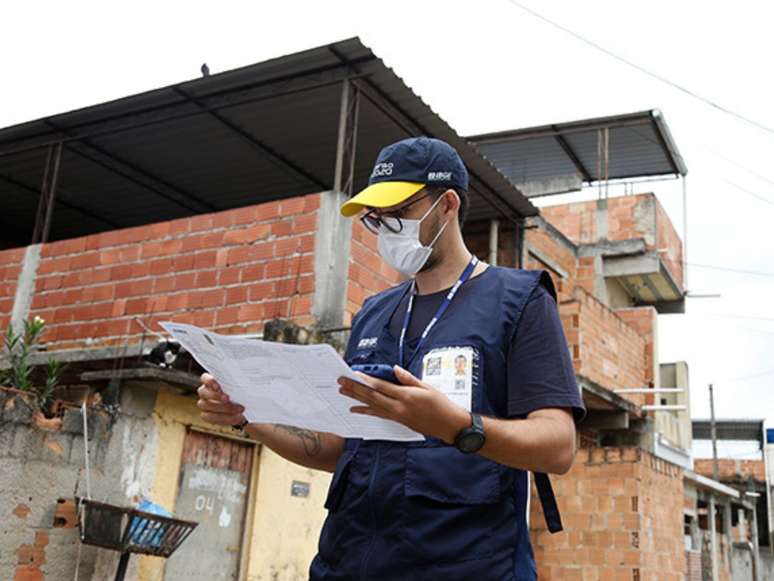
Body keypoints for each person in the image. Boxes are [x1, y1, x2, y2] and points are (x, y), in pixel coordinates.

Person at [197, 137, 586, 580]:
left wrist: (459, 427)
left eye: (399, 212)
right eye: (377, 218)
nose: (387, 228)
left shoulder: (518, 301)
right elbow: (342, 450)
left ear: (447, 205)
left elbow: (558, 446)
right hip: (345, 565)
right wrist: (247, 415)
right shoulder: (374, 315)